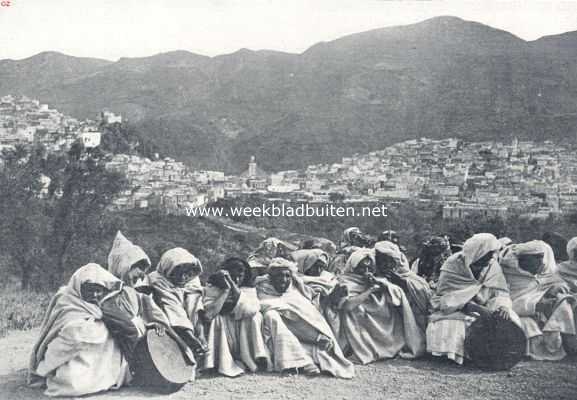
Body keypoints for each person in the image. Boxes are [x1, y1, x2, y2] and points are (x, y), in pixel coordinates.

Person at [28, 264, 130, 397]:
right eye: (90, 290)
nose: (95, 294)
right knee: (74, 383)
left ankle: (104, 377)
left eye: (99, 290)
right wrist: (87, 329)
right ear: (79, 288)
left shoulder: (101, 304)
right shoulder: (67, 300)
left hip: (98, 358)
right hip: (71, 357)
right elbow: (64, 332)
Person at [102, 232, 192, 373]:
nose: (142, 275)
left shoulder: (138, 295)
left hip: (137, 338)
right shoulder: (105, 289)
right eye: (139, 268)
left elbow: (159, 319)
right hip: (117, 340)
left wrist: (182, 345)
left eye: (145, 271)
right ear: (125, 265)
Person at [426, 233, 518, 365]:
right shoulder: (453, 264)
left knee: (508, 317)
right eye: (489, 253)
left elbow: (500, 292)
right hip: (455, 307)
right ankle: (455, 356)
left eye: (493, 253)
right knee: (450, 324)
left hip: (486, 304)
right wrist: (472, 306)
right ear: (478, 252)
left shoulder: (492, 265)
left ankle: (498, 357)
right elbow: (444, 296)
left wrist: (502, 306)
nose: (492, 257)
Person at [256, 258, 354, 378]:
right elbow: (287, 319)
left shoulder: (295, 291)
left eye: (287, 276)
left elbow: (313, 314)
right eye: (279, 276)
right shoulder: (263, 290)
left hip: (305, 336)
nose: (283, 280)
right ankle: (297, 363)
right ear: (271, 277)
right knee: (271, 315)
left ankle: (305, 359)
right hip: (281, 337)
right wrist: (315, 338)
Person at [330, 248, 425, 364]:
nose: (366, 271)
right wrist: (370, 291)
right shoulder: (344, 282)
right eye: (362, 267)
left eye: (369, 268)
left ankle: (387, 344)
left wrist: (383, 287)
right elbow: (348, 306)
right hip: (356, 321)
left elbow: (397, 296)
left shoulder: (375, 280)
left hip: (377, 318)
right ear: (353, 267)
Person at [501, 240, 576, 360]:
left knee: (564, 301)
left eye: (542, 258)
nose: (542, 262)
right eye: (537, 258)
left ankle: (570, 344)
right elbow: (504, 301)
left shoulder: (542, 272)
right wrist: (536, 304)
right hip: (520, 314)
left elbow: (552, 284)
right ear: (524, 259)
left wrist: (553, 290)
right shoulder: (508, 274)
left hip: (543, 314)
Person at [203, 257, 271, 377]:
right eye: (233, 276)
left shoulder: (249, 289)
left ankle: (254, 358)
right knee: (217, 320)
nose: (237, 280)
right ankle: (217, 362)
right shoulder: (212, 289)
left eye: (241, 276)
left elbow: (250, 309)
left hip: (242, 326)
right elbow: (209, 314)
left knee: (255, 317)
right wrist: (225, 290)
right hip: (224, 324)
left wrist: (232, 285)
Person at [148, 248, 208, 360]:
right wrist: (189, 335)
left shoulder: (192, 280)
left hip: (188, 321)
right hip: (167, 322)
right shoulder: (158, 280)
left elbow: (195, 306)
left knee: (195, 299)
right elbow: (172, 308)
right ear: (169, 270)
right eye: (179, 274)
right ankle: (189, 340)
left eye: (187, 274)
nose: (183, 278)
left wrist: (200, 334)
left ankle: (197, 339)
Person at [374, 241, 432, 332]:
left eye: (389, 261)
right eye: (381, 261)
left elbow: (423, 295)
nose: (385, 264)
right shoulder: (375, 277)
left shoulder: (411, 278)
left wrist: (401, 282)